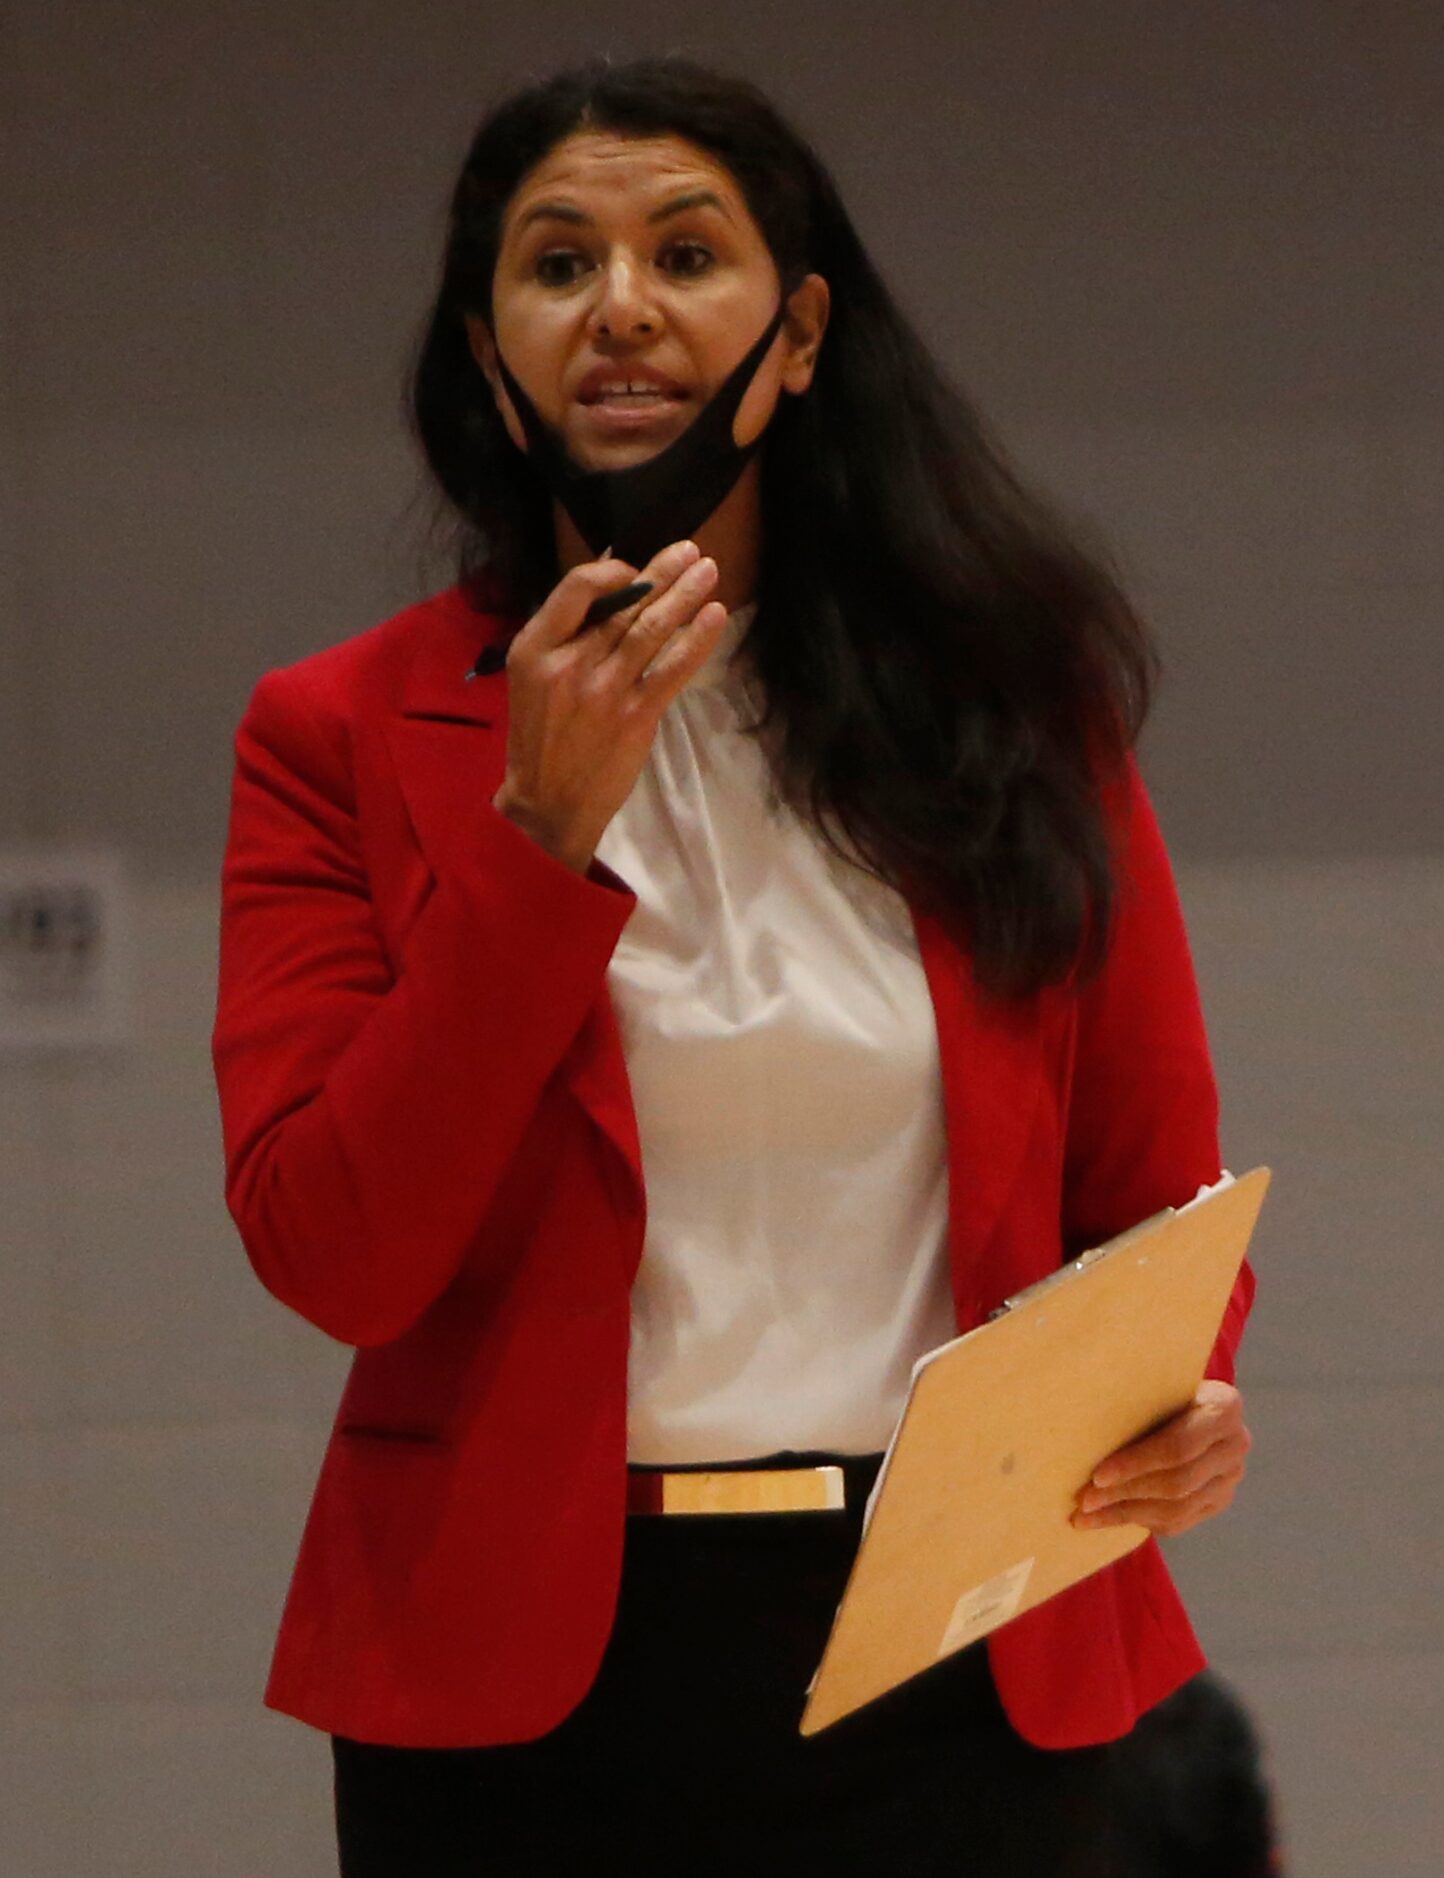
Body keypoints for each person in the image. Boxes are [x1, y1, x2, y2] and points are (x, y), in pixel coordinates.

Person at [211, 52, 1256, 1877]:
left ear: (799, 329)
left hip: (958, 1640)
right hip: (521, 1698)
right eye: (556, 265)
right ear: (486, 349)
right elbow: (338, 1247)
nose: (621, 306)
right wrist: (536, 837)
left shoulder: (1018, 709)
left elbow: (1155, 1202)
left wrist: (1176, 1406)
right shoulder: (336, 732)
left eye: (686, 252)